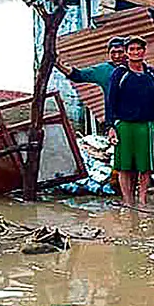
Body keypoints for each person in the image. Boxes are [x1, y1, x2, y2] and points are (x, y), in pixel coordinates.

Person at [56, 36, 128, 194]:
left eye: (120, 52)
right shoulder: (104, 71)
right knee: (121, 157)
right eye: (113, 52)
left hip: (139, 119)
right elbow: (78, 75)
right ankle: (120, 190)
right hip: (117, 121)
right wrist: (58, 64)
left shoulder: (136, 69)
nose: (117, 56)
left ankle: (138, 191)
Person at [105, 36, 154, 207]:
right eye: (131, 49)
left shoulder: (151, 73)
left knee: (145, 166)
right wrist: (110, 126)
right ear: (127, 53)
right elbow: (110, 100)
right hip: (124, 124)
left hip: (147, 125)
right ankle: (128, 201)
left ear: (144, 51)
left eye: (138, 49)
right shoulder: (120, 73)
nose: (135, 52)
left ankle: (142, 199)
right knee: (124, 165)